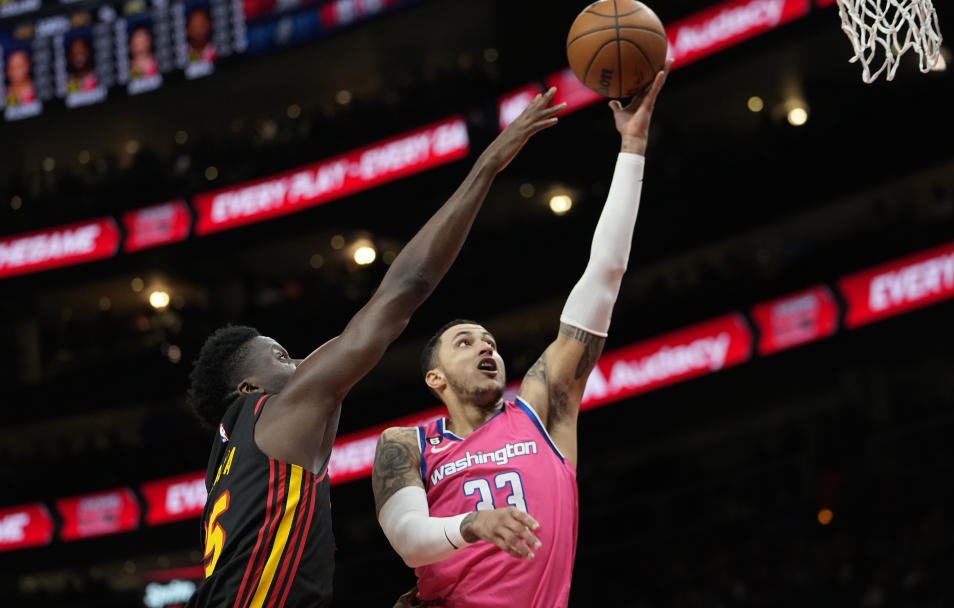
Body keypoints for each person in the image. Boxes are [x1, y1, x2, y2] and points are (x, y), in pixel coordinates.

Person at [184, 89, 567, 608]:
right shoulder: (274, 413)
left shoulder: (228, 461)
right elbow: (407, 287)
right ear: (249, 388)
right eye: (281, 358)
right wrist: (487, 167)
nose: (301, 365)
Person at [372, 62, 672, 607]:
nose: (486, 346)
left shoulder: (542, 412)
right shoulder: (405, 444)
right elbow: (410, 541)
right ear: (433, 376)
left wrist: (633, 147)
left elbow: (603, 278)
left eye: (488, 339)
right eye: (464, 342)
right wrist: (472, 524)